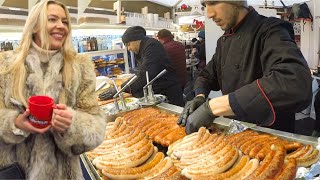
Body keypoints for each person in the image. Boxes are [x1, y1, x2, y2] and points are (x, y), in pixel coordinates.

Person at [0, 1, 106, 179]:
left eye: (65, 22)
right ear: (34, 26)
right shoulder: (6, 65)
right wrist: (15, 123)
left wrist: (72, 123)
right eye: (52, 19)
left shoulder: (80, 67)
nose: (61, 26)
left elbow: (96, 126)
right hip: (15, 172)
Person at [177, 0, 312, 134]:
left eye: (213, 2)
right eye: (204, 6)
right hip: (235, 131)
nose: (209, 13)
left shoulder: (271, 30)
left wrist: (213, 107)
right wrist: (200, 96)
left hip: (269, 136)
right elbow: (207, 75)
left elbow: (293, 82)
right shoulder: (223, 41)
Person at [119, 26, 184, 106]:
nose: (128, 48)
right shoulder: (144, 48)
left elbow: (147, 73)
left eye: (128, 44)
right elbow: (141, 73)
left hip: (169, 93)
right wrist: (124, 86)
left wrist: (123, 88)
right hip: (160, 92)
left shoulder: (152, 46)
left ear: (137, 40)